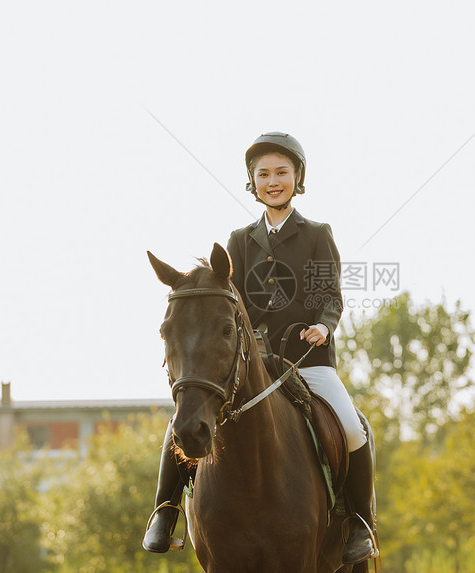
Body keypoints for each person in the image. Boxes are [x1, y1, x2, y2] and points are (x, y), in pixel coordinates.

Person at [143, 132, 378, 565]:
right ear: (252, 182)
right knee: (182, 420)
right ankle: (165, 510)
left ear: (297, 178)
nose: (273, 181)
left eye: (281, 173)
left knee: (351, 424)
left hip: (308, 360)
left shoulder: (318, 234)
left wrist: (323, 327)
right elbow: (231, 305)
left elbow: (330, 295)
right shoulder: (238, 240)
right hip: (253, 361)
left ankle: (360, 523)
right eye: (263, 174)